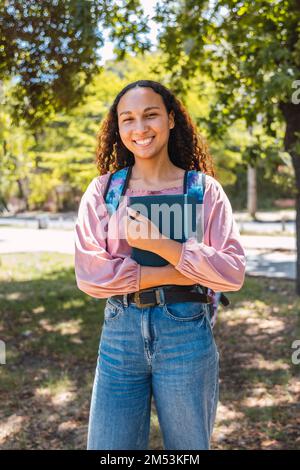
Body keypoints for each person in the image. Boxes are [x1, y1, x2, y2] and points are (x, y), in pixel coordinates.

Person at [74, 79, 246, 450]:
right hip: (120, 335)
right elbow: (91, 276)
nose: (140, 128)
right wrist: (188, 268)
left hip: (186, 331)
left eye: (150, 115)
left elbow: (232, 272)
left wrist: (160, 244)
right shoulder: (104, 192)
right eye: (128, 119)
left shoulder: (203, 191)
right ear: (118, 129)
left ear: (170, 119)